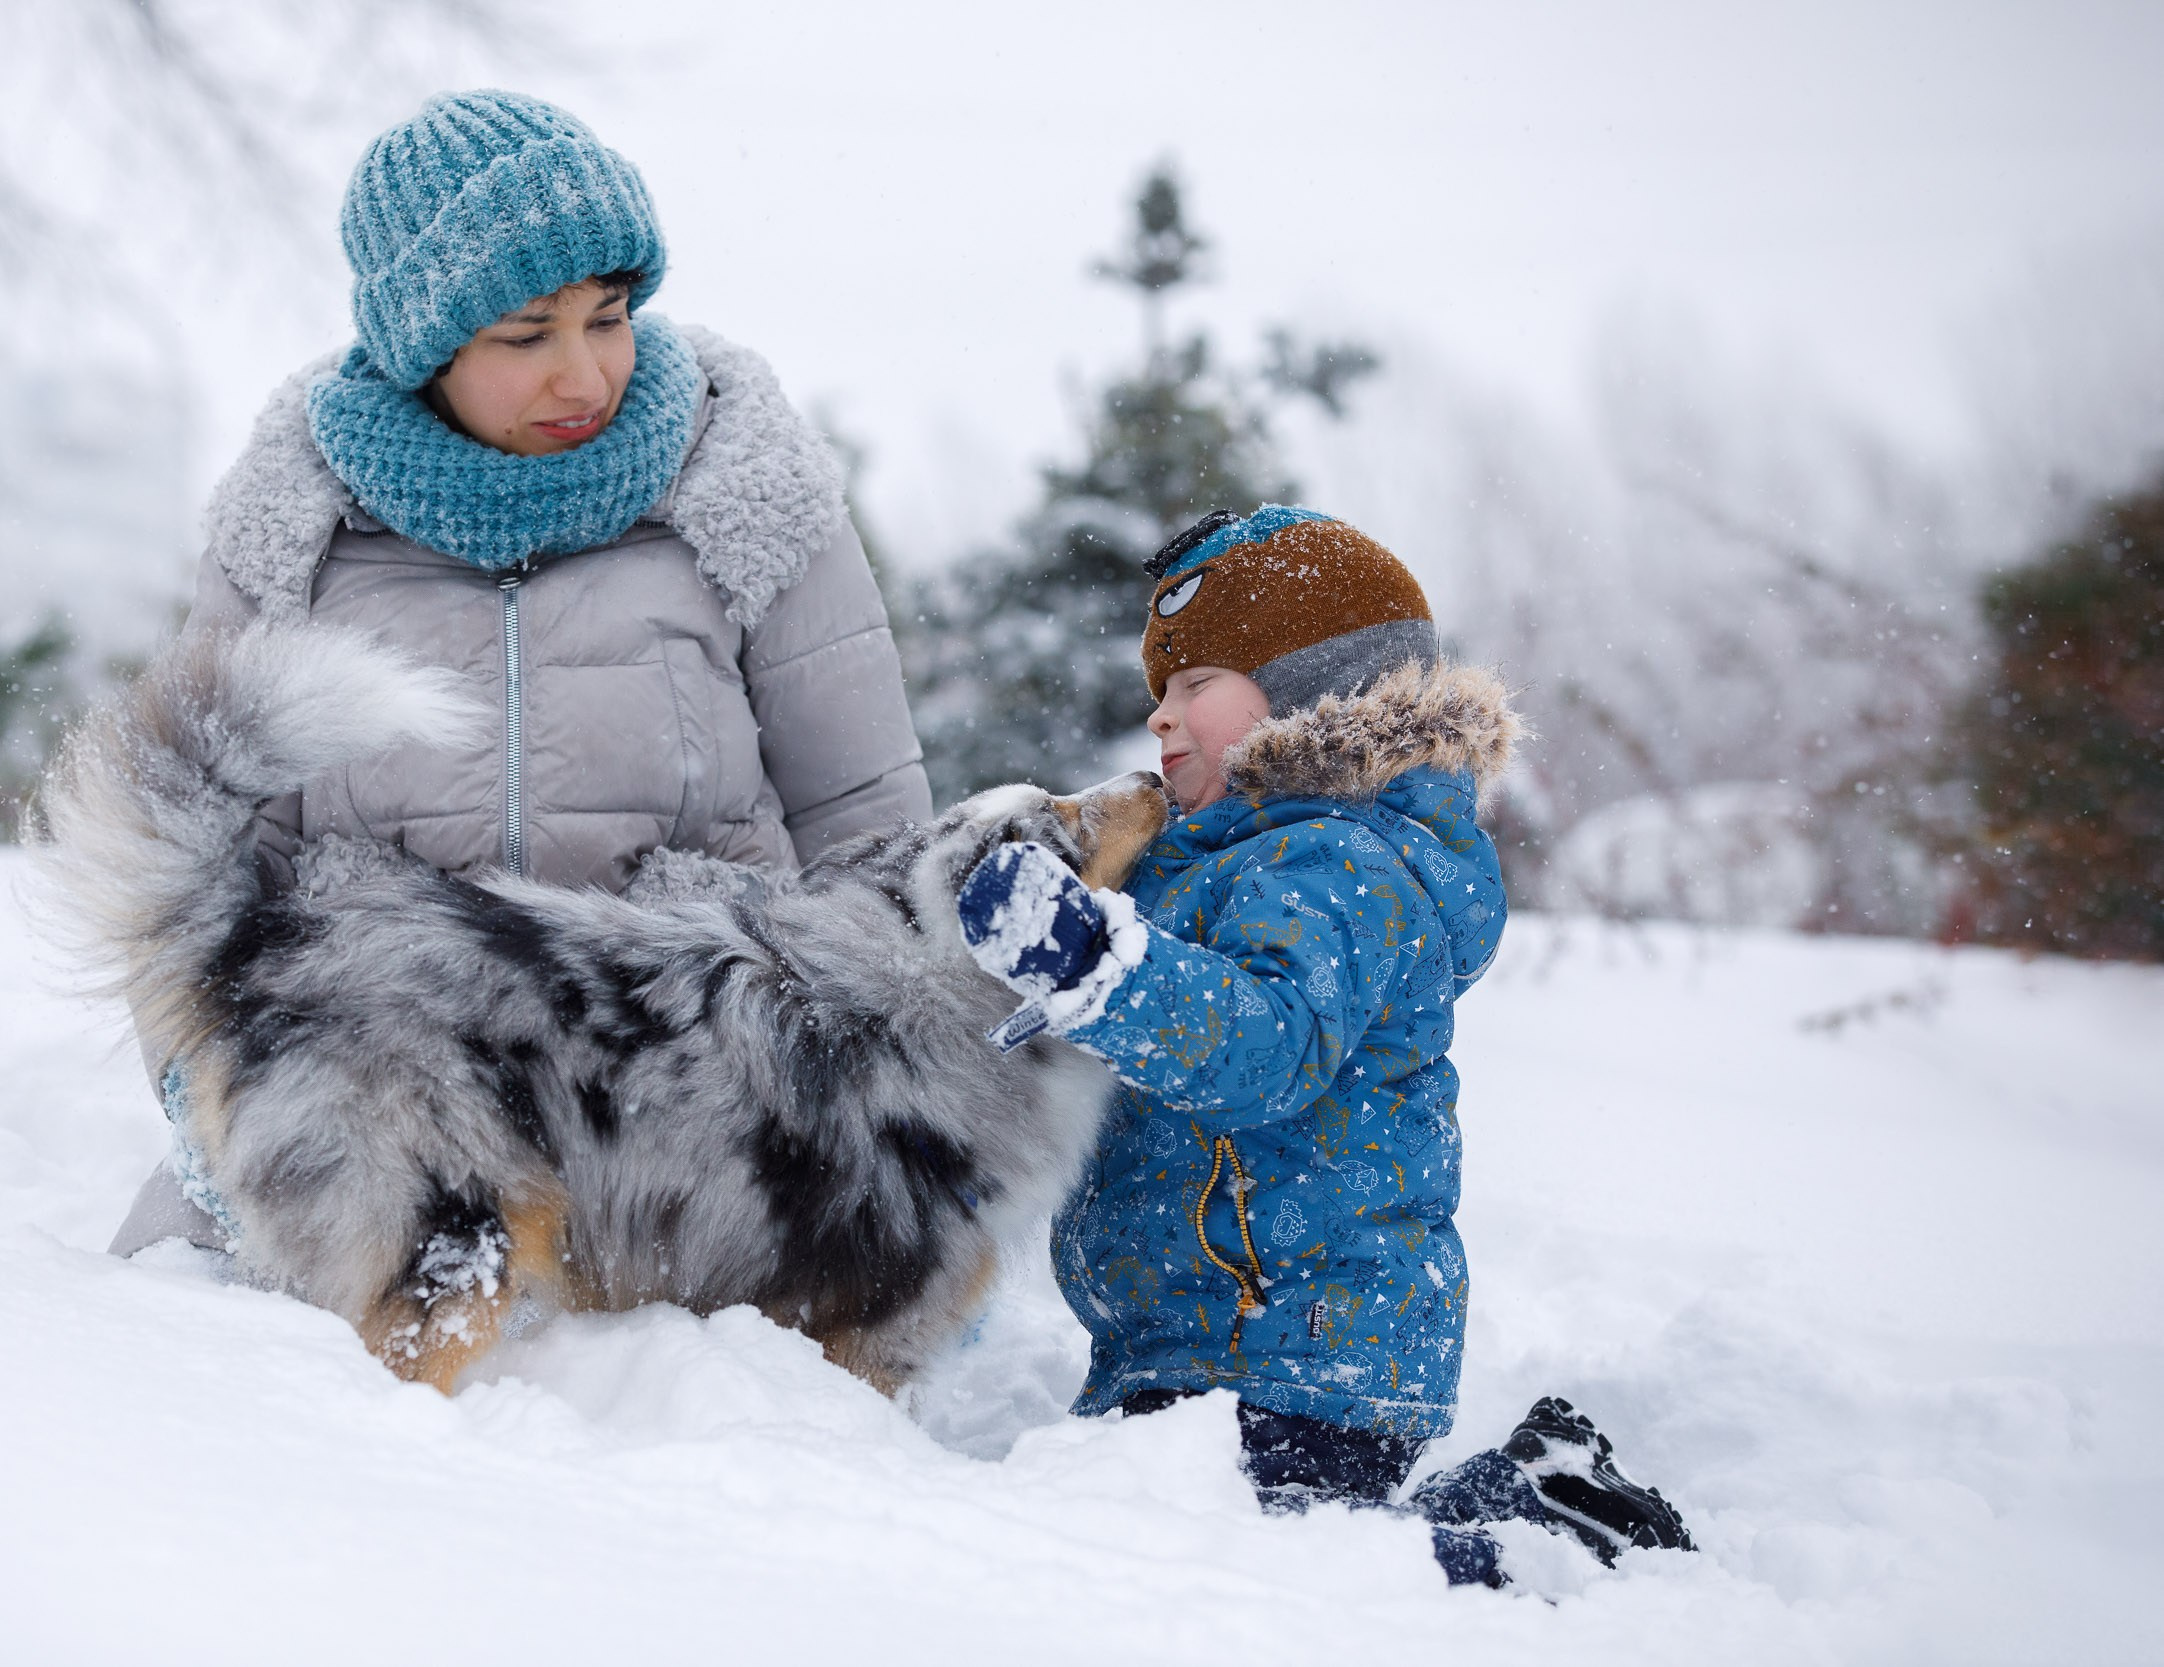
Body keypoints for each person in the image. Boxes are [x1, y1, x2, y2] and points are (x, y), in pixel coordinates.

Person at [108, 89, 928, 1256]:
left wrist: (867, 1115)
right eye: (527, 334)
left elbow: (869, 828)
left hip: (700, 1130)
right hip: (381, 1114)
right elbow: (189, 861)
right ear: (423, 350)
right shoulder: (289, 530)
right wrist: (224, 1089)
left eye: (609, 315)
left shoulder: (743, 491)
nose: (584, 374)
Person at [955, 505, 1690, 1585]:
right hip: (1194, 1336)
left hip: (1295, 1342)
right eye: (1156, 690)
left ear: (1307, 684)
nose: (1159, 718)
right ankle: (1518, 1491)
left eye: (1193, 683)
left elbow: (1265, 1045)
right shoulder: (1221, 857)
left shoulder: (1336, 863)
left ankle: (1534, 1525)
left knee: (1265, 1569)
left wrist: (1095, 967)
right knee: (1184, 1546)